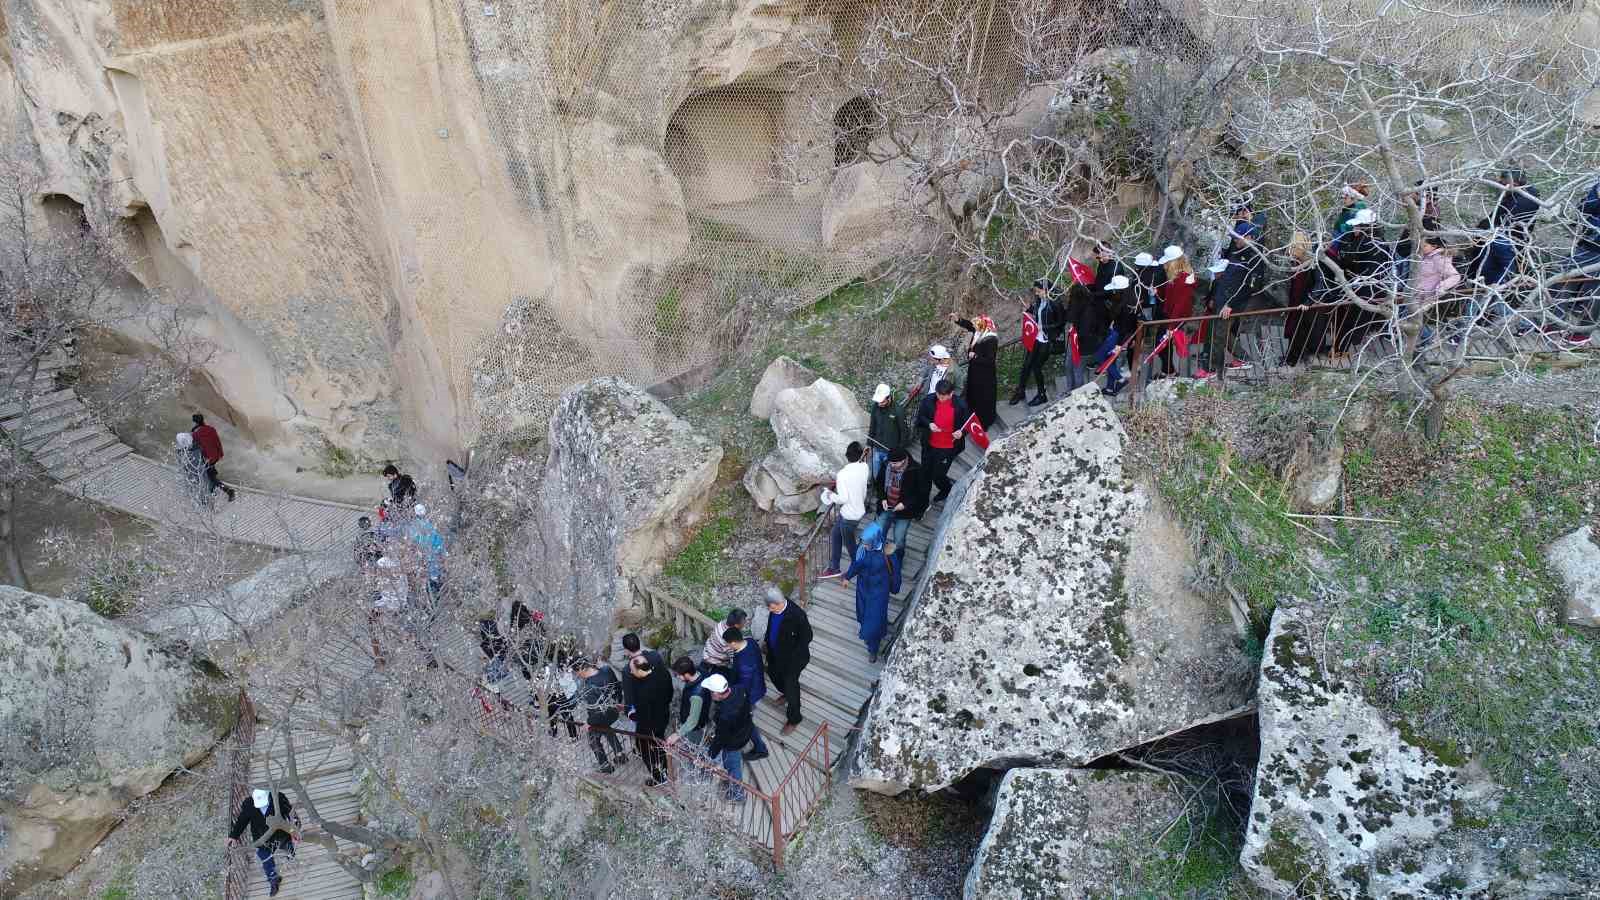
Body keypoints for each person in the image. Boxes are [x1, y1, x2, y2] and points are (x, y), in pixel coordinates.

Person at [701, 674, 768, 802]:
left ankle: (738, 795)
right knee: (750, 729)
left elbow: (721, 738)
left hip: (734, 743)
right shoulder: (740, 689)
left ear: (716, 694)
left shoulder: (725, 714)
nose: (710, 694)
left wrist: (712, 754)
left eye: (711, 692)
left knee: (733, 767)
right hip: (747, 726)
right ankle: (761, 749)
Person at [760, 585, 813, 735]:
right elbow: (772, 627)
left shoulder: (797, 615)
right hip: (776, 654)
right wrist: (767, 641)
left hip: (793, 661)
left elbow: (807, 637)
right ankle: (784, 692)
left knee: (792, 688)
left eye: (771, 607)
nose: (770, 610)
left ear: (778, 603)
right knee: (772, 673)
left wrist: (793, 655)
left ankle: (794, 718)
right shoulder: (776, 609)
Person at [226, 788, 298, 896]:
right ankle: (273, 878)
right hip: (261, 836)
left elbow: (291, 814)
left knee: (285, 844)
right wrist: (233, 836)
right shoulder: (249, 804)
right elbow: (242, 820)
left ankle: (290, 850)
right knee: (264, 856)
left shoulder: (278, 797)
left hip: (280, 832)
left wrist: (294, 830)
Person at [842, 520, 895, 662]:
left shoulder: (888, 552)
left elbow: (895, 572)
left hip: (879, 592)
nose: (864, 545)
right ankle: (872, 634)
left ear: (875, 540)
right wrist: (848, 577)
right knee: (863, 615)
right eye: (863, 542)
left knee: (873, 622)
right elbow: (857, 564)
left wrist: (894, 587)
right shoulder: (864, 549)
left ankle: (873, 649)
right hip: (863, 589)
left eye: (866, 543)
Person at [871, 447, 930, 571]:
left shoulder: (916, 470)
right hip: (886, 507)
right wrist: (882, 499)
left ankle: (897, 562)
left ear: (904, 460)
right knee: (879, 532)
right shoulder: (887, 464)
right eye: (891, 463)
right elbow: (879, 484)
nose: (892, 465)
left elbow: (921, 493)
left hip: (904, 512)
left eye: (895, 463)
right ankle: (879, 556)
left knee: (899, 539)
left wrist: (905, 504)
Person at [818, 441, 869, 579]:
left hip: (849, 515)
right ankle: (834, 567)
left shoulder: (843, 474)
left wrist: (830, 494)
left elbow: (843, 498)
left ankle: (858, 568)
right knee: (835, 534)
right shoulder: (864, 467)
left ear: (847, 456)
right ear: (860, 455)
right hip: (858, 510)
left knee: (851, 546)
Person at [915, 379, 970, 505]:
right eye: (938, 395)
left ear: (951, 394)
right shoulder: (928, 400)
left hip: (948, 448)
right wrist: (929, 424)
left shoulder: (961, 405)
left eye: (943, 396)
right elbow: (921, 417)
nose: (940, 398)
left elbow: (968, 424)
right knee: (925, 473)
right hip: (929, 445)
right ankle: (922, 503)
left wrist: (961, 433)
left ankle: (946, 489)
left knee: (938, 475)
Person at [1009, 279, 1062, 407]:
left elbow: (1060, 323)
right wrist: (1030, 309)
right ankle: (1020, 391)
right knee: (1026, 364)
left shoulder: (1055, 304)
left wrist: (1044, 327)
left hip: (1046, 340)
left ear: (1046, 290)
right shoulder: (1039, 301)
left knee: (1037, 367)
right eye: (1036, 292)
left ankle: (1042, 394)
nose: (1036, 294)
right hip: (1036, 338)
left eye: (1039, 291)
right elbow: (1039, 315)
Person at [1282, 234, 1330, 366]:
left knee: (1310, 333)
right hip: (1299, 302)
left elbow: (1320, 283)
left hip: (1310, 304)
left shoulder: (1314, 261)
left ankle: (1303, 360)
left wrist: (1309, 301)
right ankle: (1293, 359)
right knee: (1297, 331)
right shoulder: (1298, 261)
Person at [571, 657, 626, 773]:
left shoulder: (589, 688)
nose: (577, 675)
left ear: (581, 669)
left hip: (601, 716)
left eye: (577, 673)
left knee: (593, 739)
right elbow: (618, 687)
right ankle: (620, 754)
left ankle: (605, 765)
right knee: (606, 729)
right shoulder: (606, 670)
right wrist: (618, 702)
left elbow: (598, 712)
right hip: (614, 710)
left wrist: (588, 723)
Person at [627, 653, 672, 786]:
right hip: (663, 717)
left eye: (632, 670)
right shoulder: (663, 673)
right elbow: (669, 693)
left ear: (640, 670)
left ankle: (658, 776)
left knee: (643, 747)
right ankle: (664, 769)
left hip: (648, 724)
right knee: (660, 742)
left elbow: (642, 714)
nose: (630, 671)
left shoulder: (643, 691)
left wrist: (631, 715)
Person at [951, 313, 999, 427]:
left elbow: (990, 360)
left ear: (983, 326)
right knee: (973, 395)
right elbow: (969, 325)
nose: (974, 328)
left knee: (982, 398)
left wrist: (975, 356)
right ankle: (972, 418)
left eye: (977, 326)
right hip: (975, 370)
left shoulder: (991, 339)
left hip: (984, 375)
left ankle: (983, 422)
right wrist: (958, 320)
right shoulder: (980, 331)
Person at [1156, 247, 1195, 378]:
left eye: (1168, 262)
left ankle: (1170, 371)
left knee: (1162, 344)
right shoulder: (1175, 276)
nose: (1165, 265)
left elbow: (1180, 304)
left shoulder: (1184, 279)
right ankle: (1168, 370)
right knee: (1164, 345)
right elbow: (1169, 296)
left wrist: (1171, 326)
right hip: (1170, 315)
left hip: (1175, 318)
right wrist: (1157, 293)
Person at [1090, 275, 1131, 394]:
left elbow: (1124, 325)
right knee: (1110, 360)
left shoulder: (1124, 305)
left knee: (1100, 356)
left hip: (1118, 334)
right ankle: (1109, 388)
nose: (1112, 291)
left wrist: (1119, 344)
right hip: (1116, 331)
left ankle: (1121, 379)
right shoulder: (1125, 297)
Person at [667, 657, 713, 749]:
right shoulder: (702, 672)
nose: (677, 677)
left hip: (695, 729)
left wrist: (677, 735)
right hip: (703, 716)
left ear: (687, 674)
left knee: (693, 748)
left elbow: (692, 721)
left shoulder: (696, 695)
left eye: (678, 675)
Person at [619, 632, 668, 717]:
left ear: (626, 650)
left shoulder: (627, 671)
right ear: (639, 644)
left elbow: (629, 698)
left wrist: (628, 712)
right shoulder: (655, 655)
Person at [190, 413, 236, 502]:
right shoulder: (211, 429)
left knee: (210, 478)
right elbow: (217, 441)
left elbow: (194, 447)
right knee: (210, 474)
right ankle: (213, 492)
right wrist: (220, 453)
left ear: (195, 422)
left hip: (207, 458)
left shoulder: (196, 433)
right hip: (215, 456)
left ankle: (229, 491)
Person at [866, 383, 907, 480]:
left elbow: (904, 432)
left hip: (890, 451)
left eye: (882, 402)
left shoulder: (898, 411)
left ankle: (886, 491)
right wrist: (869, 444)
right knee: (876, 472)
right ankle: (876, 485)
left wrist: (899, 451)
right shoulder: (875, 407)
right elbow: (873, 426)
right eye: (878, 402)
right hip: (877, 447)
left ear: (889, 398)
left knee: (888, 476)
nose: (879, 404)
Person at [404, 504, 445, 598]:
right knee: (433, 587)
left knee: (422, 590)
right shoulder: (431, 527)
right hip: (433, 564)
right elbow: (440, 546)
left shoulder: (411, 528)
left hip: (420, 564)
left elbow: (410, 546)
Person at [723, 627, 766, 706]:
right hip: (759, 682)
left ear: (733, 643)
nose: (727, 646)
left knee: (747, 707)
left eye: (727, 644)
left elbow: (745, 685)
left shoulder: (744, 664)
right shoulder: (751, 641)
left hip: (752, 692)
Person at [699, 609, 747, 676]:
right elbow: (734, 659)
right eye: (743, 621)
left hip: (708, 651)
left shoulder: (723, 622)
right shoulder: (728, 639)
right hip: (716, 661)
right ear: (736, 625)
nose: (745, 622)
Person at [174, 431, 210, 509]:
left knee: (195, 485)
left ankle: (200, 502)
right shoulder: (196, 447)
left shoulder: (180, 451)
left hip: (192, 471)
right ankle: (204, 502)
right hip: (199, 470)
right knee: (202, 484)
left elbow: (181, 463)